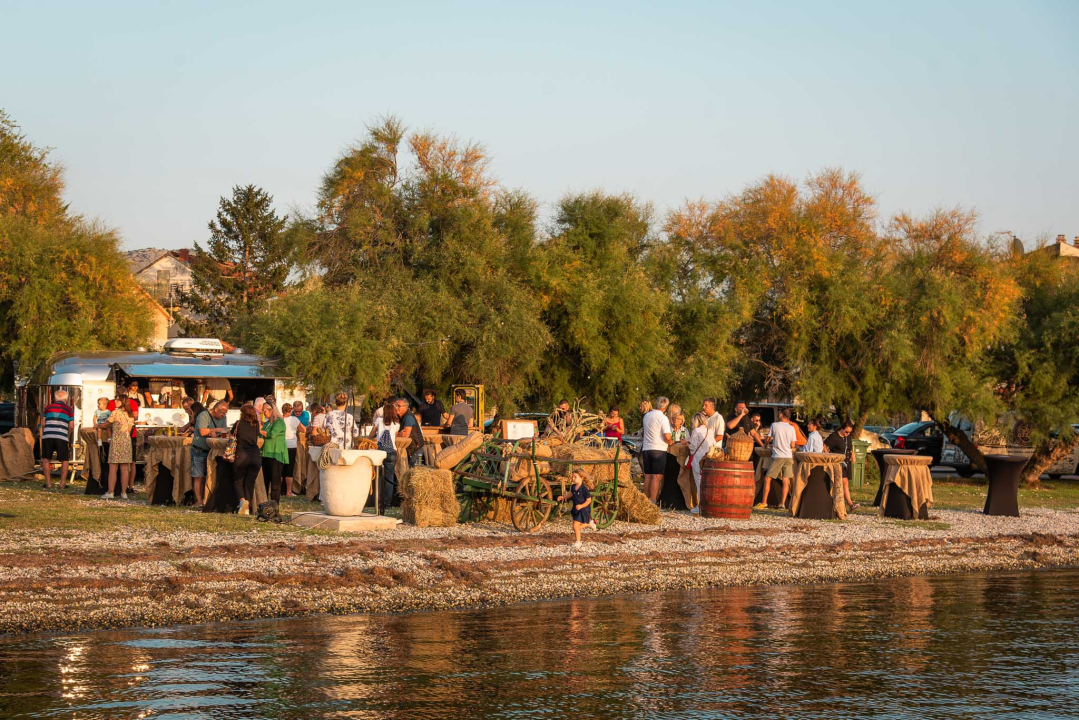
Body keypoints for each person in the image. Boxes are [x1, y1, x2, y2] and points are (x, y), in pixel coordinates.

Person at [191, 400, 229, 508]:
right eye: (222, 412)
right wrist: (216, 429)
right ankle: (199, 501)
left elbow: (224, 432)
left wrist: (216, 433)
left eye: (225, 413)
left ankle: (208, 499)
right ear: (216, 409)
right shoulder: (203, 415)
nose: (223, 415)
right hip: (200, 449)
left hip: (213, 451)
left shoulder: (223, 417)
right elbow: (202, 432)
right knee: (199, 476)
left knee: (211, 477)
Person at [758, 408, 797, 510]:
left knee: (767, 478)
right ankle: (782, 503)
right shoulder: (792, 428)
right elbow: (793, 444)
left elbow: (768, 439)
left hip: (778, 456)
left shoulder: (775, 425)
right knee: (785, 480)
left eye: (779, 413)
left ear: (782, 415)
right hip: (788, 456)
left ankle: (764, 502)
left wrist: (766, 446)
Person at [39, 390, 75, 490]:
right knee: (64, 460)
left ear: (55, 398)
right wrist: (67, 435)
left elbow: (42, 423)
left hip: (48, 436)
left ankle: (48, 483)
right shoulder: (69, 409)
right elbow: (71, 426)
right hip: (62, 437)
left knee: (46, 459)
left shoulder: (48, 407)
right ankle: (62, 484)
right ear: (66, 399)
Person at [640, 397, 673, 502]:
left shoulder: (646, 416)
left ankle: (645, 499)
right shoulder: (663, 418)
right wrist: (671, 442)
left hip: (646, 448)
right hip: (658, 449)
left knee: (648, 476)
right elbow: (667, 436)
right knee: (656, 477)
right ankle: (653, 500)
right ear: (666, 406)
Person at [232, 403, 262, 516]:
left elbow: (232, 436)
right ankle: (248, 507)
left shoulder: (238, 424)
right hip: (255, 456)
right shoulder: (256, 424)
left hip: (241, 455)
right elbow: (256, 437)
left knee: (238, 481)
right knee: (250, 482)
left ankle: (242, 501)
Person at [371, 399, 401, 514]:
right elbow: (395, 436)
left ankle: (377, 500)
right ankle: (387, 503)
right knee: (389, 478)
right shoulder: (397, 424)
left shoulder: (379, 420)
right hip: (391, 452)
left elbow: (372, 434)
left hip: (379, 452)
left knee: (377, 476)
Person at [108, 383, 141, 484]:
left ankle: (114, 488)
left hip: (118, 435)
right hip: (130, 435)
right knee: (130, 462)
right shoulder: (133, 402)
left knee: (115, 463)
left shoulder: (112, 403)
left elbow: (108, 420)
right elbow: (136, 417)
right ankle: (129, 486)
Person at [103, 396, 135, 499]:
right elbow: (129, 429)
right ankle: (124, 492)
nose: (115, 401)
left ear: (123, 402)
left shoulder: (115, 412)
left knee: (113, 468)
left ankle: (111, 492)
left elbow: (106, 424)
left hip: (117, 441)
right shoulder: (130, 414)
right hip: (126, 441)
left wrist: (97, 426)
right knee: (124, 468)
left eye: (117, 400)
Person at [825, 420, 859, 511]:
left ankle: (848, 504)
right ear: (842, 429)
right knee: (845, 482)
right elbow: (825, 445)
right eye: (846, 431)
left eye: (849, 432)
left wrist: (852, 454)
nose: (848, 434)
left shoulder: (847, 437)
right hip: (838, 462)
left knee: (845, 483)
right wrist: (827, 455)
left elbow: (849, 447)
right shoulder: (834, 437)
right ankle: (850, 503)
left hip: (846, 462)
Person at [557, 469, 594, 549]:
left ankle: (578, 542)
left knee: (575, 526)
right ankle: (590, 523)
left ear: (581, 478)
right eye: (573, 477)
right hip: (576, 509)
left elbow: (589, 500)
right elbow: (571, 494)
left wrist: (581, 506)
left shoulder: (584, 489)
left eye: (575, 477)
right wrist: (563, 497)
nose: (573, 478)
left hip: (583, 509)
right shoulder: (573, 487)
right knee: (576, 527)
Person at [259, 399, 288, 503]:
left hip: (276, 454)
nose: (263, 413)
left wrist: (260, 430)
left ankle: (274, 504)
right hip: (266, 454)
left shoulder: (279, 422)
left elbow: (271, 435)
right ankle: (265, 502)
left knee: (275, 482)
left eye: (264, 411)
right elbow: (260, 435)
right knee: (265, 480)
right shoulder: (267, 423)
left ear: (271, 410)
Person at [687, 414, 716, 515]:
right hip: (707, 459)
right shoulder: (710, 431)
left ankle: (700, 506)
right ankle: (707, 504)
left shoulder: (696, 431)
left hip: (698, 459)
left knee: (699, 483)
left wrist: (688, 445)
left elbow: (692, 447)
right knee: (707, 483)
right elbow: (713, 444)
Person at [395, 397, 424, 467]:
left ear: (405, 407)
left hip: (415, 449)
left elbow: (405, 435)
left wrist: (396, 434)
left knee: (413, 470)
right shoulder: (402, 417)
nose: (396, 407)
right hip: (412, 448)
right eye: (395, 405)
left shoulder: (408, 417)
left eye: (398, 406)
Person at [282, 402, 300, 496]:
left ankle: (279, 490)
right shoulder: (294, 419)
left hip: (281, 445)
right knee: (289, 468)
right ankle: (289, 491)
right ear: (291, 410)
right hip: (292, 445)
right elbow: (303, 429)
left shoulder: (279, 419)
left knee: (280, 468)